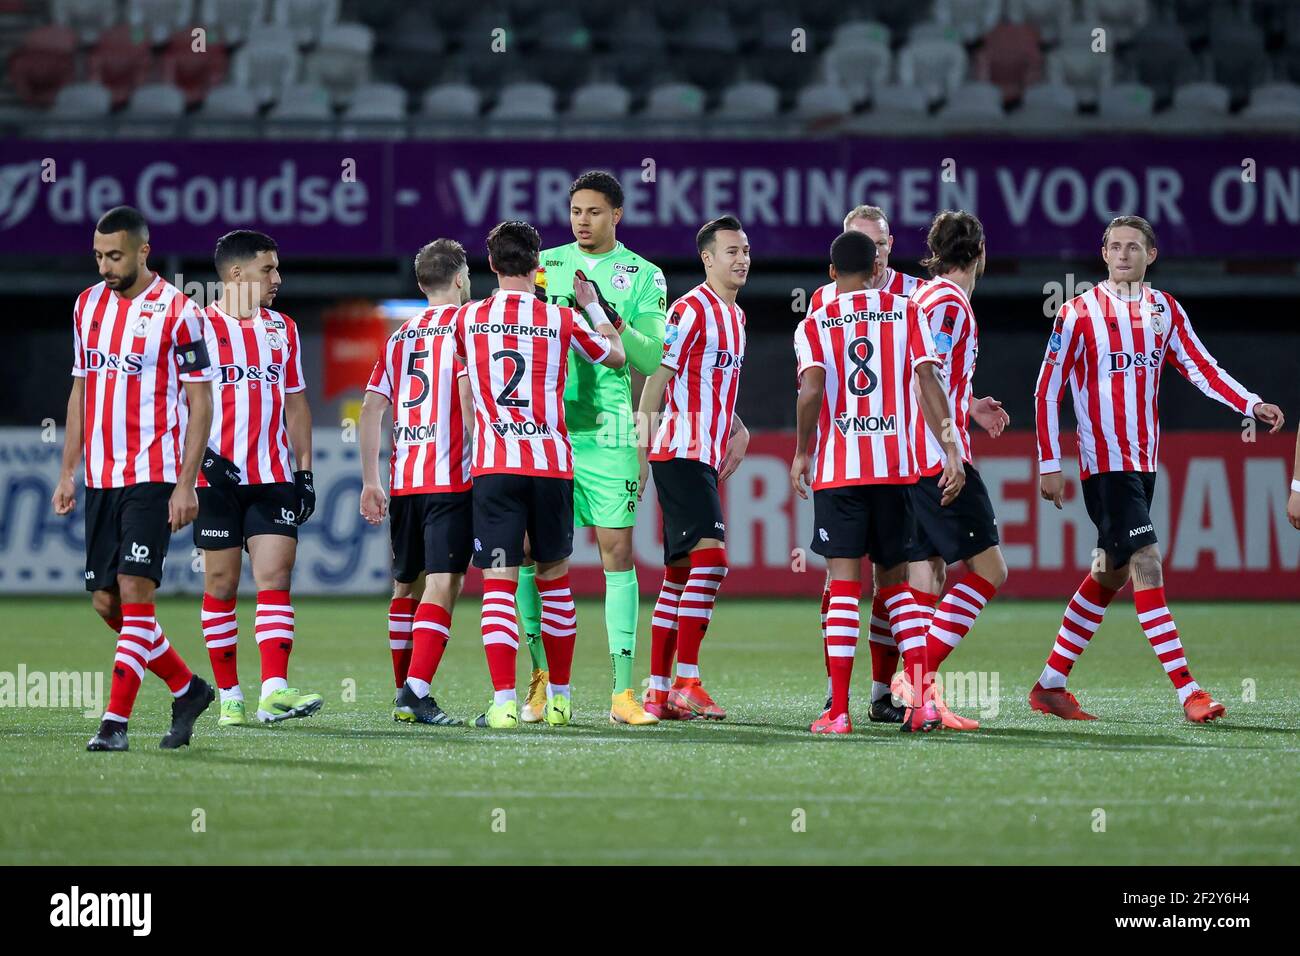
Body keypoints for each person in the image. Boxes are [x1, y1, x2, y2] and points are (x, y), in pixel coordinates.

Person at [1031, 216, 1285, 722]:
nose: (1123, 255)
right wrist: (1049, 463)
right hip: (1105, 465)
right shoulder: (1077, 313)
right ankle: (1188, 691)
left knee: (1110, 572)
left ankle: (1050, 683)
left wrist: (1249, 404)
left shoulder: (1164, 310)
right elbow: (1046, 390)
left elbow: (1201, 367)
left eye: (1134, 247)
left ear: (1151, 255)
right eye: (1115, 247)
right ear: (1103, 254)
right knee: (1147, 558)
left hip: (1143, 463)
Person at [52, 206, 216, 752]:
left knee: (133, 590)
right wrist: (68, 471)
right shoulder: (87, 306)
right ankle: (186, 687)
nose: (105, 266)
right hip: (101, 477)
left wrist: (186, 483)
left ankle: (114, 725)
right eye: (98, 256)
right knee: (107, 603)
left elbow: (200, 404)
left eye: (115, 256)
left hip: (154, 473)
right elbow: (80, 391)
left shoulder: (179, 312)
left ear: (144, 251)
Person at [791, 229, 965, 734]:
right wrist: (951, 447)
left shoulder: (816, 321)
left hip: (840, 472)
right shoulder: (909, 312)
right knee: (896, 590)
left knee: (844, 586)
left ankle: (839, 711)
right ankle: (920, 702)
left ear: (831, 274)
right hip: (897, 470)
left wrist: (802, 450)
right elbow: (928, 380)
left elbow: (811, 389)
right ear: (876, 270)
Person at [453, 220, 625, 729]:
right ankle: (561, 700)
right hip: (550, 465)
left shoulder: (467, 320)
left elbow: (465, 388)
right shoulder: (560, 320)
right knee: (554, 579)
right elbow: (615, 357)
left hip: (496, 466)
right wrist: (590, 304)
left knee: (500, 585)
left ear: (490, 265)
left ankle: (505, 701)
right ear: (538, 266)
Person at [514, 171, 667, 726]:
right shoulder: (543, 265)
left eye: (594, 211)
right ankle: (542, 683)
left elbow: (651, 360)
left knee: (617, 554)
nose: (582, 220)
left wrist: (610, 315)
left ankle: (623, 693)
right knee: (534, 554)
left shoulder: (644, 275)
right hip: (545, 428)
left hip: (611, 435)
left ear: (616, 215)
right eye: (576, 210)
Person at [885, 211, 1010, 732]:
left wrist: (969, 404)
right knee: (991, 570)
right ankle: (918, 679)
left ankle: (921, 699)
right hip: (933, 458)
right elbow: (923, 376)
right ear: (980, 253)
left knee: (927, 572)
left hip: (906, 455)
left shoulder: (926, 298)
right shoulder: (949, 304)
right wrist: (952, 445)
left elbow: (930, 376)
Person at [195, 230, 322, 727]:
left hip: (271, 477)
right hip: (213, 482)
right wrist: (204, 461)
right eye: (268, 269)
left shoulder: (283, 329)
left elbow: (296, 402)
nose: (277, 278)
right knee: (221, 585)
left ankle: (273, 690)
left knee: (275, 579)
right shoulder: (194, 327)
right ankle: (230, 694)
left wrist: (304, 471)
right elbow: (172, 405)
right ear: (236, 273)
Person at [360, 239, 475, 727]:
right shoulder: (468, 327)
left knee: (405, 587)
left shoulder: (399, 336)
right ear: (459, 278)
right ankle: (417, 691)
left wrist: (371, 480)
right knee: (444, 583)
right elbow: (469, 403)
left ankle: (402, 689)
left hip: (406, 481)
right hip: (451, 480)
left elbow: (370, 410)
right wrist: (483, 448)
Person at [640, 216, 751, 721]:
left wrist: (739, 428)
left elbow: (712, 385)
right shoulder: (690, 310)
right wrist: (639, 459)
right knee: (713, 563)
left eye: (745, 250)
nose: (742, 259)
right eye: (731, 251)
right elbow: (657, 384)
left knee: (679, 576)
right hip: (679, 452)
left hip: (703, 455)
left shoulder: (737, 317)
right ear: (707, 259)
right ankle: (687, 679)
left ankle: (658, 693)